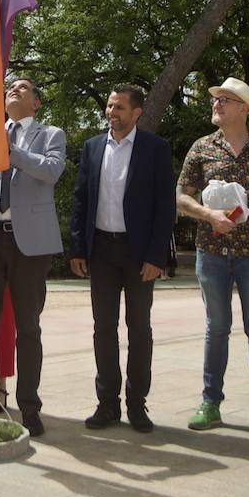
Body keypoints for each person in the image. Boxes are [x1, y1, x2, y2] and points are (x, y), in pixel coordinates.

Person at [177, 77, 249, 440]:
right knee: (217, 329)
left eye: (226, 100)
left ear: (244, 108)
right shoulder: (202, 147)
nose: (217, 104)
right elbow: (181, 196)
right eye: (216, 100)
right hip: (211, 254)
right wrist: (209, 216)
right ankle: (210, 403)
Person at [69, 84, 176, 434]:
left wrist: (155, 256)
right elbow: (81, 199)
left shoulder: (155, 149)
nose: (111, 112)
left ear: (136, 113)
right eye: (110, 106)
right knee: (103, 329)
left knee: (139, 330)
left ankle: (136, 405)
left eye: (119, 107)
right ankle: (107, 404)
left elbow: (165, 208)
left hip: (139, 254)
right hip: (101, 250)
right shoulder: (93, 147)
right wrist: (78, 249)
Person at [0, 78, 66, 437]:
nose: (12, 89)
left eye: (23, 87)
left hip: (30, 245)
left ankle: (29, 406)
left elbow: (52, 171)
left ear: (36, 103)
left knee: (28, 328)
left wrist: (13, 151)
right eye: (9, 86)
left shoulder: (50, 133)